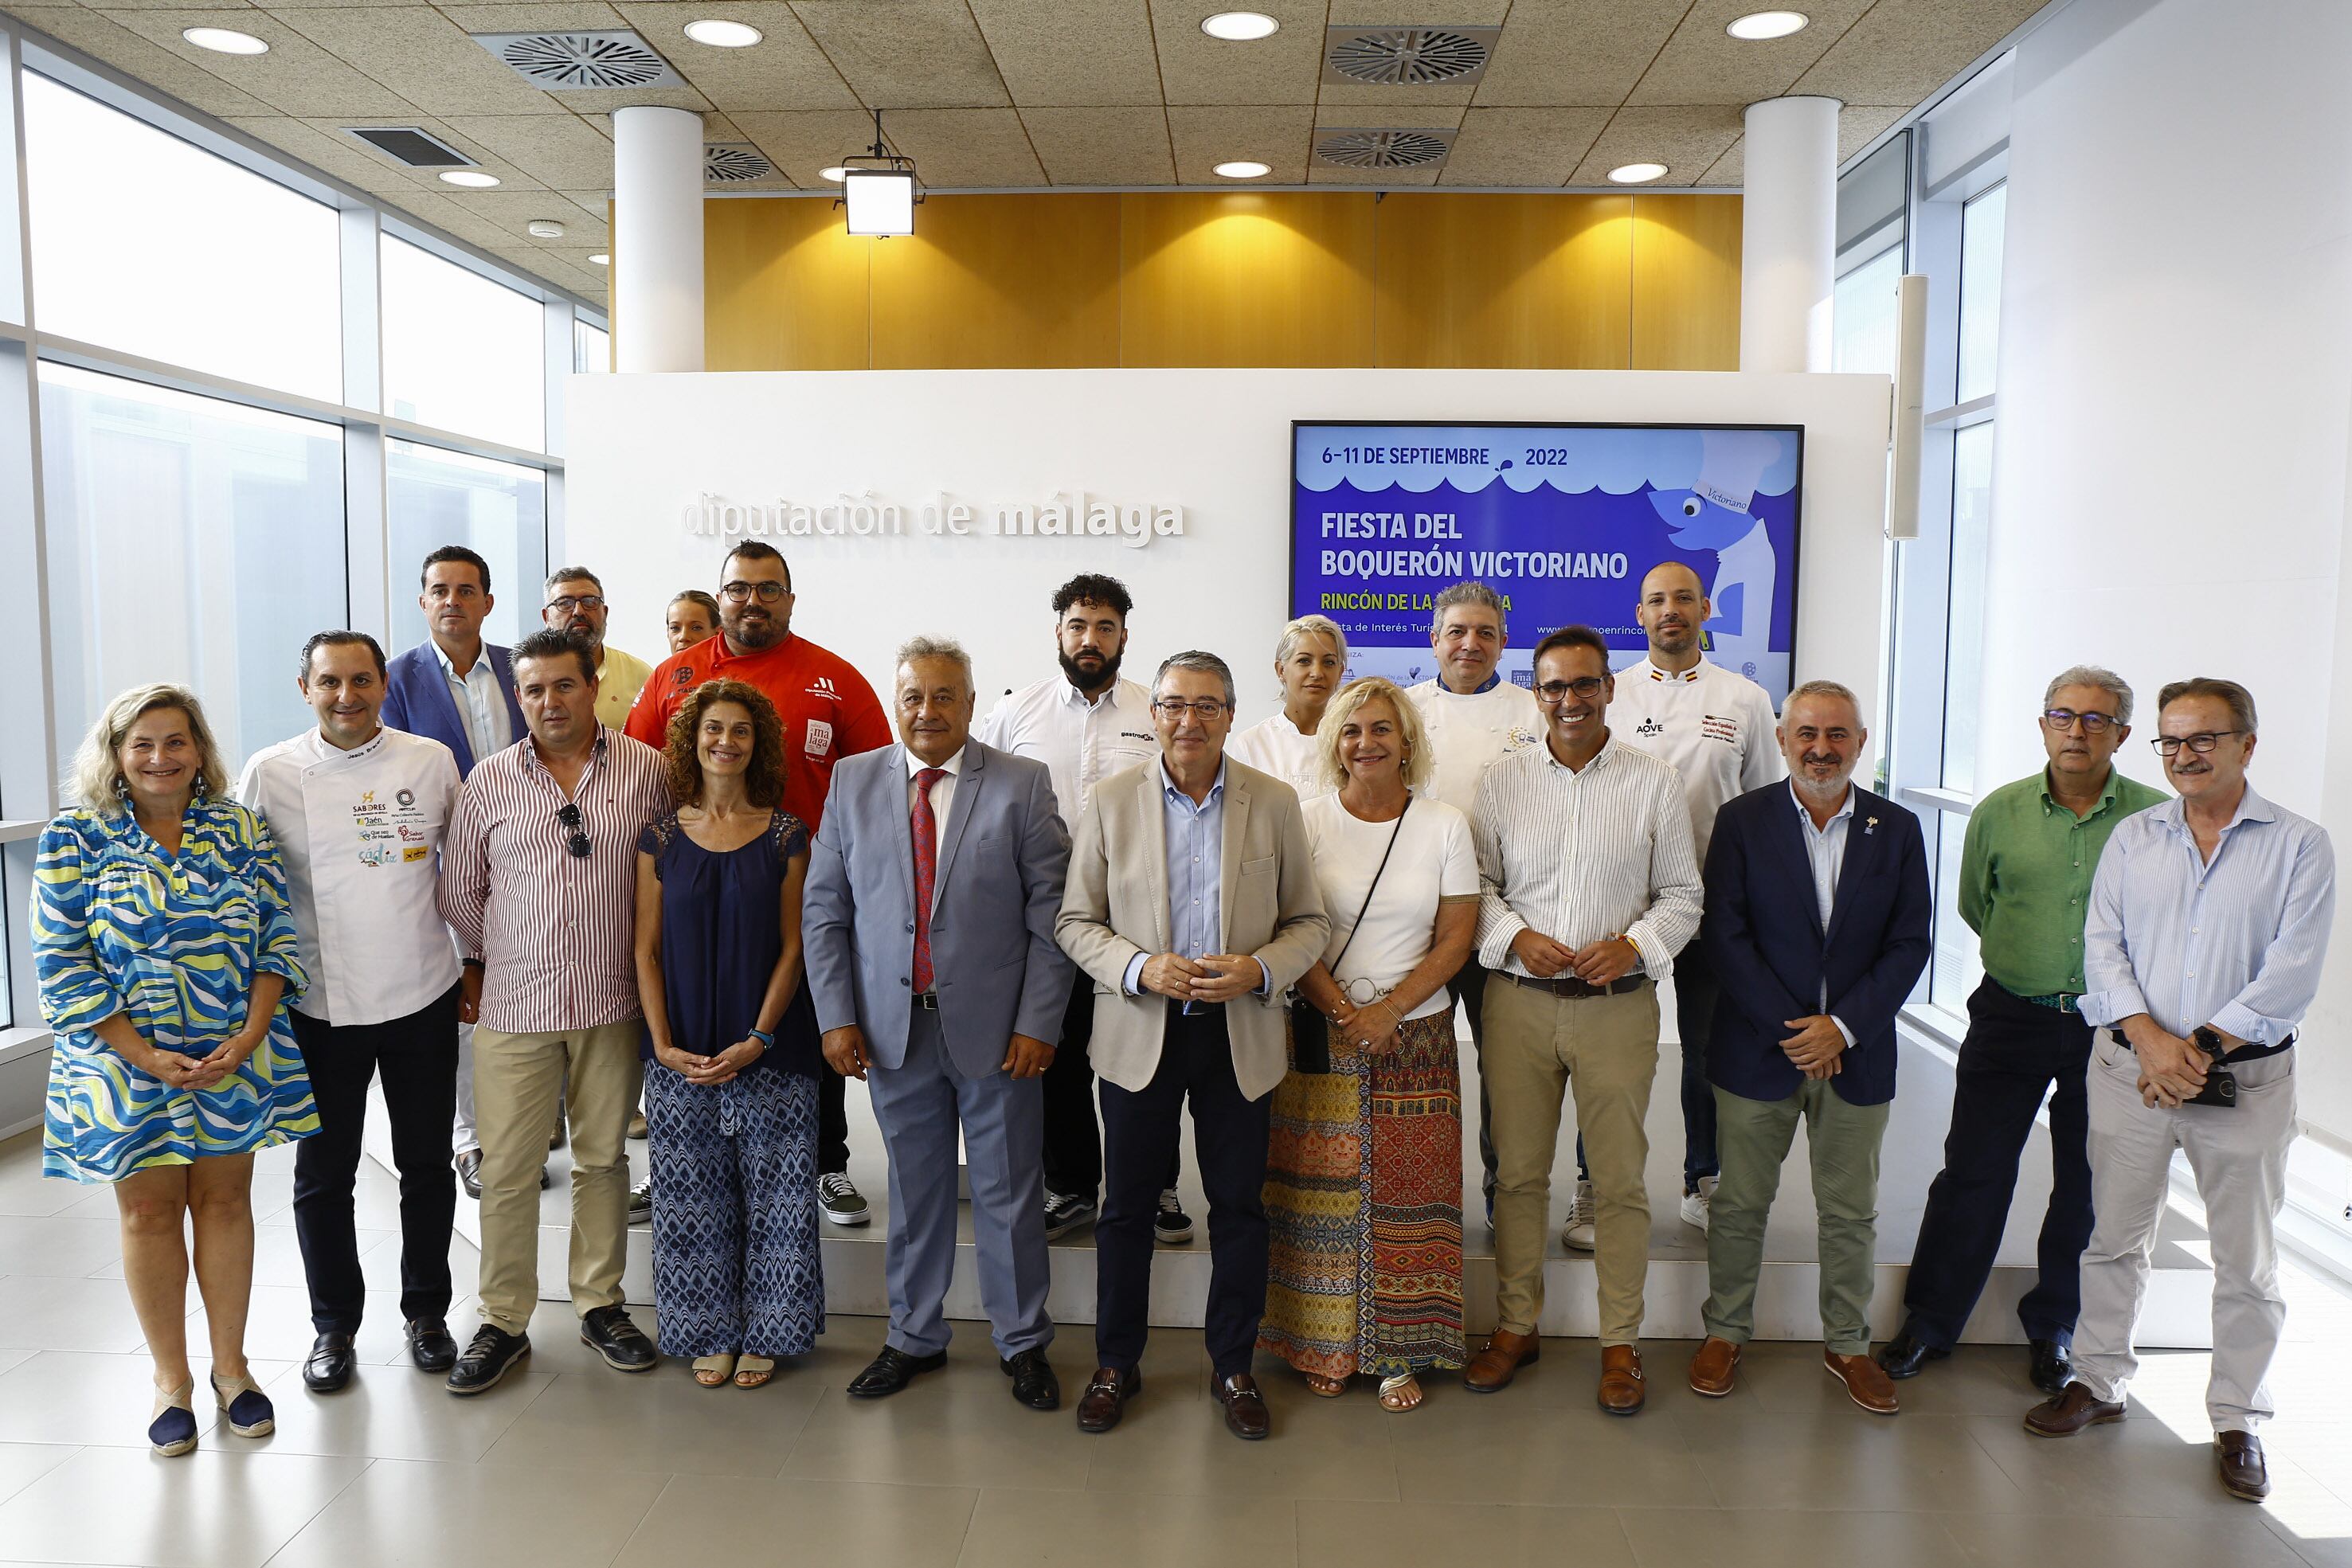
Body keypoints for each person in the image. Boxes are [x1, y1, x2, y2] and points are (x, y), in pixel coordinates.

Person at [2027, 679, 2334, 1506]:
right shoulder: (2134, 837)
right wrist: (2151, 1042)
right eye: (2169, 742)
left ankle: (2238, 1417)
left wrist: (2193, 1050)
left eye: (2203, 738)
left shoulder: (2300, 846)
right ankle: (2096, 1380)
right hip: (2131, 1074)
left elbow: (2291, 972)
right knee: (2112, 1237)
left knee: (2246, 1261)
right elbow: (2102, 946)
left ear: (2247, 744)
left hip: (2243, 1082)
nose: (2184, 755)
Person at [33, 685, 315, 1455]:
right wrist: (145, 1054)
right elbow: (62, 963)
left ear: (200, 751)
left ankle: (234, 1369)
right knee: (150, 1214)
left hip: (234, 1056)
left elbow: (275, 939)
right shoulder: (75, 839)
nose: (161, 758)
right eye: (143, 744)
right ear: (117, 755)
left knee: (225, 1205)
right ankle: (171, 1380)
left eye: (177, 742)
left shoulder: (240, 828)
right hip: (126, 1064)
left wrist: (252, 1035)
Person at [1057, 651, 1330, 1440]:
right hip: (1140, 1034)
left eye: (1206, 705)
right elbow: (1076, 922)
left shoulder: (1273, 802)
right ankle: (1117, 1362)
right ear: (1154, 715)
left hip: (1238, 1037)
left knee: (1240, 1208)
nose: (1188, 720)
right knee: (1127, 1209)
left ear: (1230, 713)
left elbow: (1307, 922)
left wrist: (1258, 968)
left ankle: (1233, 1366)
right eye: (1174, 704)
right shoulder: (1110, 802)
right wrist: (1140, 967)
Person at [804, 638, 1072, 1410]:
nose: (928, 710)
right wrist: (836, 1018)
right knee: (914, 1191)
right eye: (913, 695)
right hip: (893, 1031)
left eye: (944, 695)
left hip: (998, 1036)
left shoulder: (1020, 784)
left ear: (969, 700)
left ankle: (1022, 1341)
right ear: (896, 702)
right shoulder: (853, 783)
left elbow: (1048, 918)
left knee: (1008, 1192)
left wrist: (1038, 1023)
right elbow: (825, 912)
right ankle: (913, 1336)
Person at [1883, 667, 2166, 1394]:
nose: (2077, 730)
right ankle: (1932, 1321)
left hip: (2112, 1025)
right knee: (1973, 1171)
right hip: (2010, 1013)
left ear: (2122, 734)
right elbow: (1979, 904)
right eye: (2062, 715)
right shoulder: (1999, 812)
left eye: (2096, 719)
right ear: (2042, 725)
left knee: (2085, 1182)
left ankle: (2055, 1330)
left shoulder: (2152, 821)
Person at [1460, 625, 1701, 1411]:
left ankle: (1620, 1343)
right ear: (1537, 693)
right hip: (1517, 1008)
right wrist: (1511, 936)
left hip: (1615, 1009)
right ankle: (1515, 1327)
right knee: (1520, 1176)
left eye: (1584, 684)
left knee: (1622, 1183)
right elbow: (1480, 887)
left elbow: (1682, 896)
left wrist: (1633, 946)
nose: (1569, 700)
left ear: (1609, 689)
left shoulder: (1655, 781)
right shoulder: (1499, 781)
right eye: (1554, 686)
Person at [627, 542, 891, 1228]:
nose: (753, 600)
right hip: (695, 872)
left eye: (768, 589)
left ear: (790, 599)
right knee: (690, 1008)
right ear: (720, 597)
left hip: (808, 875)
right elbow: (635, 772)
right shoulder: (674, 675)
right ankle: (676, 1165)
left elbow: (882, 783)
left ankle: (826, 1164)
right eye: (739, 588)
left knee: (811, 1016)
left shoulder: (834, 678)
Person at [1684, 681, 1929, 1414]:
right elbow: (1724, 936)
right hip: (1760, 1047)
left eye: (1837, 735)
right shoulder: (1741, 820)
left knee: (1849, 1211)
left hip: (1858, 1052)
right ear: (1783, 740)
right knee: (1738, 1205)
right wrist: (1797, 1031)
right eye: (1805, 734)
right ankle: (1725, 1331)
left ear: (1859, 742)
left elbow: (1909, 941)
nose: (1820, 748)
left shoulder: (1900, 826)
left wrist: (1841, 1028)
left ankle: (1847, 1345)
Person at [439, 628, 672, 1394]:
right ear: (518, 695)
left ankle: (601, 1303)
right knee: (507, 1168)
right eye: (533, 689)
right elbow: (460, 891)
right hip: (514, 1004)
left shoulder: (648, 771)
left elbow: (670, 873)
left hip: (612, 1001)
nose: (548, 702)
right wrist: (499, 953)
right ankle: (503, 1319)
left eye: (563, 686)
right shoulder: (488, 781)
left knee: (603, 1161)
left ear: (592, 680)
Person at [236, 632, 466, 1395]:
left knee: (427, 1164)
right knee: (323, 1173)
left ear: (381, 684)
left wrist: (475, 961)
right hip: (319, 1002)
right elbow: (244, 889)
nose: (347, 696)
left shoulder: (429, 760)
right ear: (304, 686)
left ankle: (428, 1312)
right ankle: (333, 1326)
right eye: (330, 681)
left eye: (360, 679)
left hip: (420, 991)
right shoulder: (270, 772)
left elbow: (462, 871)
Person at [1260, 677, 1475, 1414]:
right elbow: (1291, 923)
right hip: (1321, 1025)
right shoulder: (1307, 820)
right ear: (1333, 743)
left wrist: (1388, 1009)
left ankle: (1398, 1352)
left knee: (1410, 1196)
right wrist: (1345, 1007)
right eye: (1352, 731)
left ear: (1406, 740)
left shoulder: (1444, 823)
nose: (1366, 742)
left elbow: (1455, 937)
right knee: (1313, 1194)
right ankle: (1321, 1345)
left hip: (1416, 1032)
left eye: (1381, 728)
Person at [976, 573, 1187, 1246]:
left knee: (1146, 1052)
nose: (1089, 639)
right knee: (1056, 1052)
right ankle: (1069, 1185)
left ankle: (1155, 1185)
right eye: (1077, 626)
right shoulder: (1016, 714)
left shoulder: (1154, 712)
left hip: (1139, 915)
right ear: (1058, 632)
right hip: (1044, 915)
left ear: (1124, 635)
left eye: (1103, 627)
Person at [1583, 561, 1783, 1245]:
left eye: (1683, 599)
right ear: (1638, 614)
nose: (1670, 610)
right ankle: (1593, 1186)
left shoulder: (1745, 699)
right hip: (1617, 910)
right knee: (1605, 1057)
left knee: (1706, 1051)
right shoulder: (1609, 693)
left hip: (1713, 908)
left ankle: (1704, 1178)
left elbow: (1764, 809)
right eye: (1656, 600)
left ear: (1704, 609)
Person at [633, 679, 824, 1390]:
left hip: (771, 1047)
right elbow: (643, 951)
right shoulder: (656, 837)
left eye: (740, 730)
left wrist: (759, 1037)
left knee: (779, 1196)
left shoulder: (786, 834)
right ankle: (707, 1328)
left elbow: (793, 948)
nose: (725, 741)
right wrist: (660, 1044)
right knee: (690, 1198)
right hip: (679, 1049)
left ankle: (772, 1330)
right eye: (712, 728)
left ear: (758, 744)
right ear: (690, 739)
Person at [378, 544, 531, 1201]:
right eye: (438, 589)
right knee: (465, 1003)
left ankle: (527, 1124)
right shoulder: (394, 678)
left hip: (529, 859)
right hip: (444, 865)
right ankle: (468, 1139)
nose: (452, 601)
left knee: (525, 991)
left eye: (466, 590)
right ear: (422, 601)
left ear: (487, 603)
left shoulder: (518, 669)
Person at [1403, 581, 1542, 1221]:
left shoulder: (1534, 712)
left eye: (1485, 632)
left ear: (1503, 642)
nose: (1470, 643)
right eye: (1457, 630)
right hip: (1416, 921)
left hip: (1505, 917)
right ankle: (1418, 1193)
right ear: (1433, 639)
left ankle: (1501, 1195)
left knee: (1506, 1072)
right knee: (1417, 1065)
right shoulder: (1403, 712)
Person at [1227, 613, 1348, 800]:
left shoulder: (1355, 741)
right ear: (1281, 670)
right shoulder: (1252, 745)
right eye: (1304, 661)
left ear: (1340, 672)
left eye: (1328, 662)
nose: (1317, 673)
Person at [543, 566, 656, 730]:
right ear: (546, 617)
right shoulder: (531, 678)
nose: (578, 611)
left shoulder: (641, 675)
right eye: (565, 603)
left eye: (590, 602)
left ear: (605, 612)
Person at [666, 589, 721, 655]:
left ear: (718, 633)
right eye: (675, 628)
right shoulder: (663, 665)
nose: (683, 637)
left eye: (696, 628)